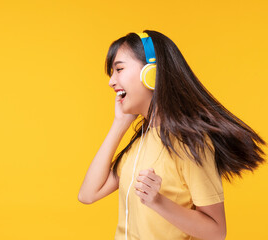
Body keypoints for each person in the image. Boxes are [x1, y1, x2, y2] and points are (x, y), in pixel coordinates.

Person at [78, 30, 266, 240]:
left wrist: (158, 201)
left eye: (119, 69)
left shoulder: (190, 144)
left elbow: (216, 232)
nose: (111, 82)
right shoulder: (139, 143)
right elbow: (87, 194)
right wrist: (119, 123)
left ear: (151, 73)